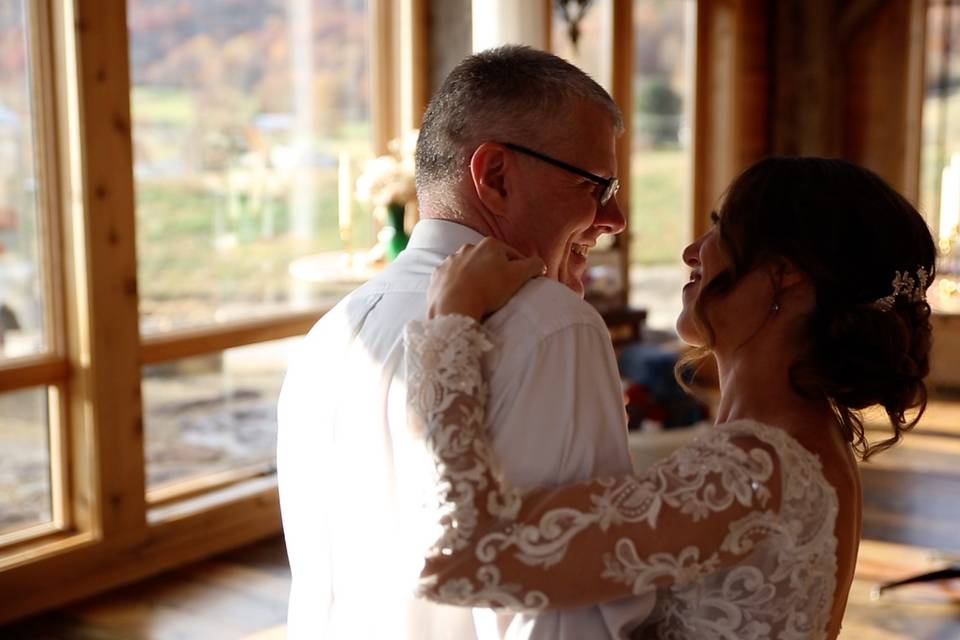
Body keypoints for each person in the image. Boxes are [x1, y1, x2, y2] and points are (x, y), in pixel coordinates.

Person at [404, 157, 937, 639]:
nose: (691, 251)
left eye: (720, 229)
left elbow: (464, 561)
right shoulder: (805, 441)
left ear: (783, 274)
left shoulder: (753, 469)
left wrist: (451, 325)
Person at [277, 45, 654, 639]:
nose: (615, 218)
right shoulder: (552, 325)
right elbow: (566, 614)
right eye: (595, 185)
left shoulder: (333, 331)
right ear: (497, 176)